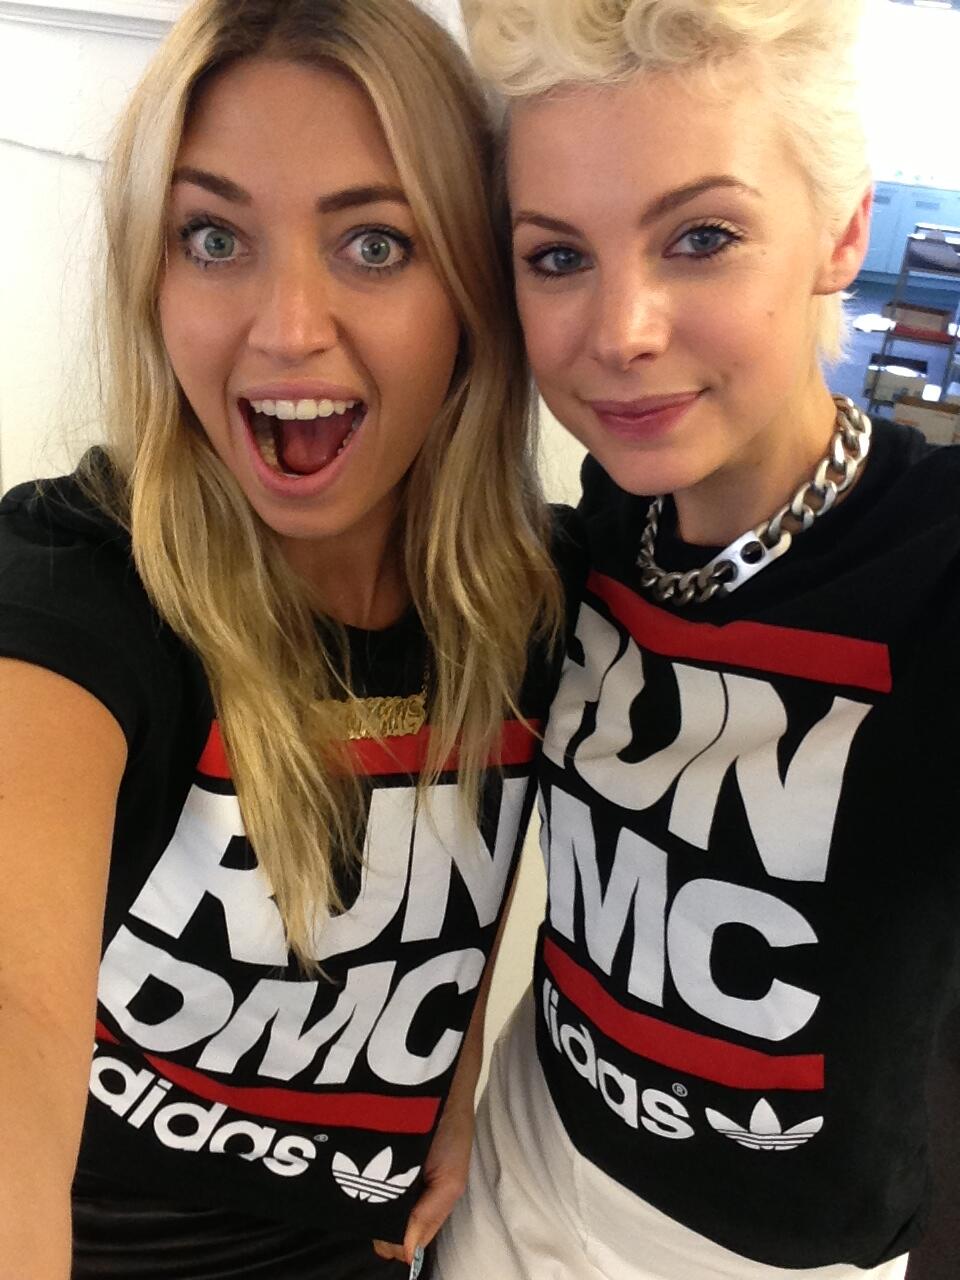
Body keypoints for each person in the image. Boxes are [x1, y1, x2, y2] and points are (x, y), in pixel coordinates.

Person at [0, 1, 575, 1276]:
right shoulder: (75, 588)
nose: (287, 326)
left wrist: (448, 1070)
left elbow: (463, 875)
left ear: (472, 293)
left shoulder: (535, 605)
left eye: (376, 243)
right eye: (214, 238)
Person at [437, 1, 960, 1277]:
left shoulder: (935, 563)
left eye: (703, 237)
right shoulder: (607, 523)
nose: (621, 329)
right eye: (557, 255)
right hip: (515, 1164)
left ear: (842, 229)